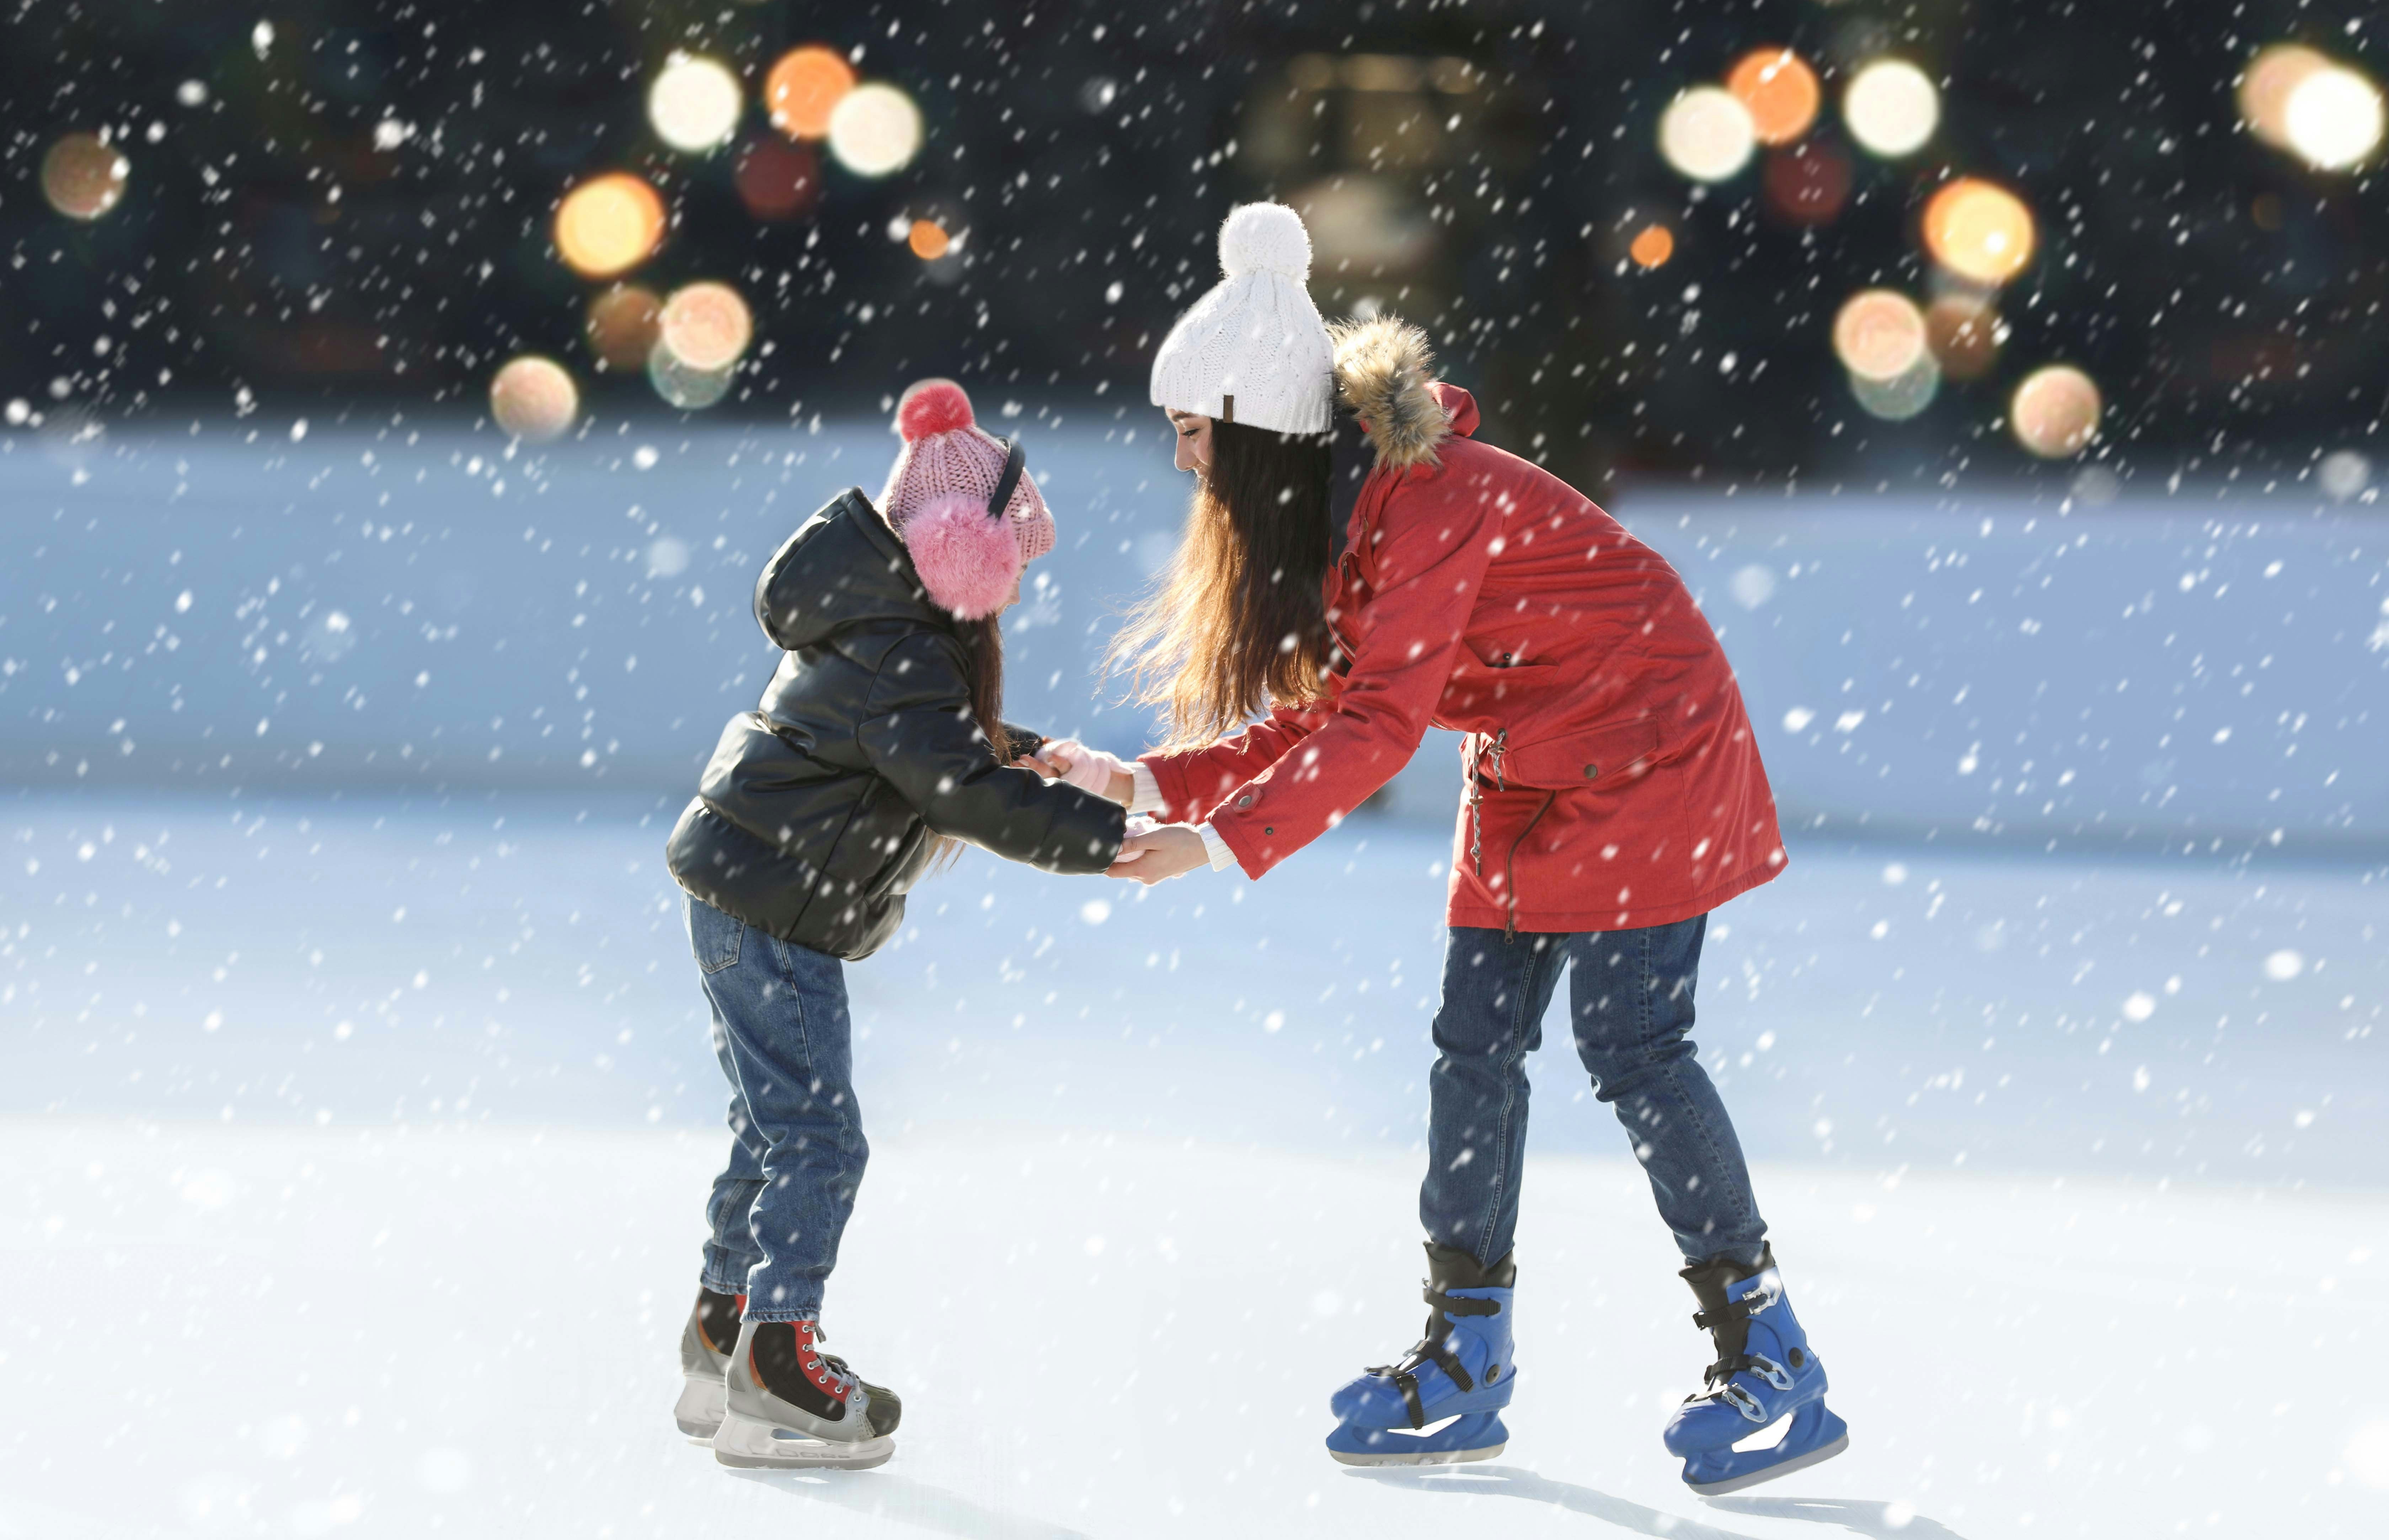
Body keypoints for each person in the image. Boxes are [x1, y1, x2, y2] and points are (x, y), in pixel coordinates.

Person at [1039, 202, 1848, 1493]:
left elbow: (1374, 729)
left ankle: (1773, 1360)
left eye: (1192, 432)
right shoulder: (1337, 515)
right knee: (1474, 1049)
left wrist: (1218, 847)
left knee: (1634, 1047)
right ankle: (1465, 1356)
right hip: (1530, 766)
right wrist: (1142, 780)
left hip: (1653, 748)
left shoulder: (1431, 501)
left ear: (1253, 429)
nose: (1183, 463)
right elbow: (1325, 707)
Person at [662, 379, 1127, 1470]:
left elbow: (932, 751)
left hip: (745, 894)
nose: (1008, 595)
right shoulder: (903, 650)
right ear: (957, 548)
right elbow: (952, 788)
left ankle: (724, 1335)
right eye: (1008, 563)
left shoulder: (879, 626)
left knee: (772, 1130)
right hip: (772, 911)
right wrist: (1100, 839)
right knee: (820, 1141)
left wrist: (1020, 752)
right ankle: (777, 1372)